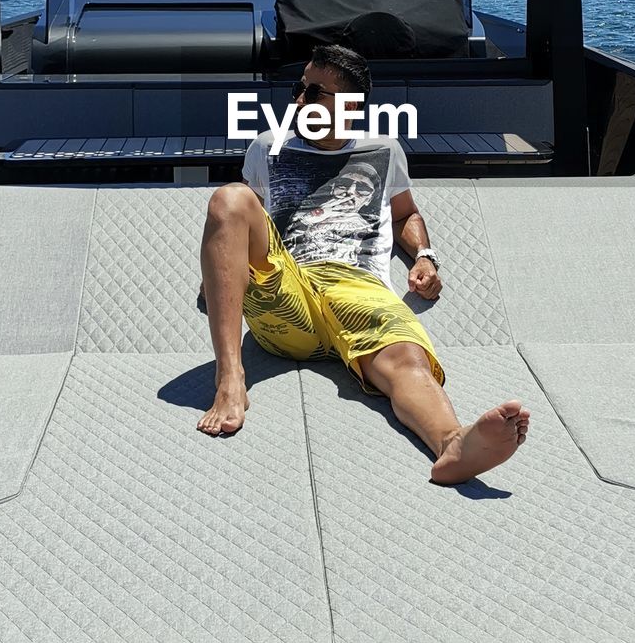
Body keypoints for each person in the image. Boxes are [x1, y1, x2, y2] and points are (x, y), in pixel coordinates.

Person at [197, 44, 529, 485]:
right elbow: (242, 219)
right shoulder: (267, 147)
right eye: (299, 87)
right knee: (229, 197)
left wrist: (425, 256)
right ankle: (230, 377)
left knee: (406, 359)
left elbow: (404, 213)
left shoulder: (385, 150)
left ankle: (452, 443)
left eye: (314, 91)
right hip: (288, 288)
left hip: (358, 286)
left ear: (350, 105)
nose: (298, 99)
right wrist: (217, 275)